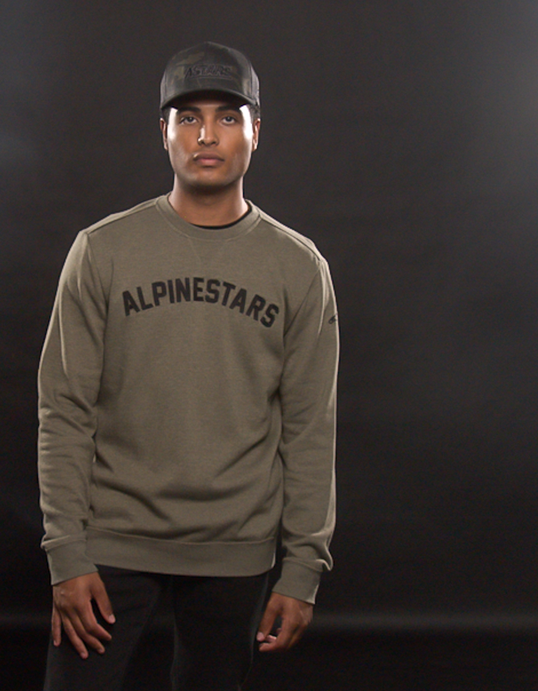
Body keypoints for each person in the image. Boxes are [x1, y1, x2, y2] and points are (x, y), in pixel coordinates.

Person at [38, 41, 339, 691]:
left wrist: (302, 568)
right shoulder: (102, 251)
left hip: (236, 545)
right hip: (112, 536)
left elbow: (310, 429)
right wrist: (66, 553)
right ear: (164, 131)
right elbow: (64, 411)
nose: (207, 135)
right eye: (188, 117)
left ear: (256, 131)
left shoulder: (298, 267)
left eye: (228, 116)